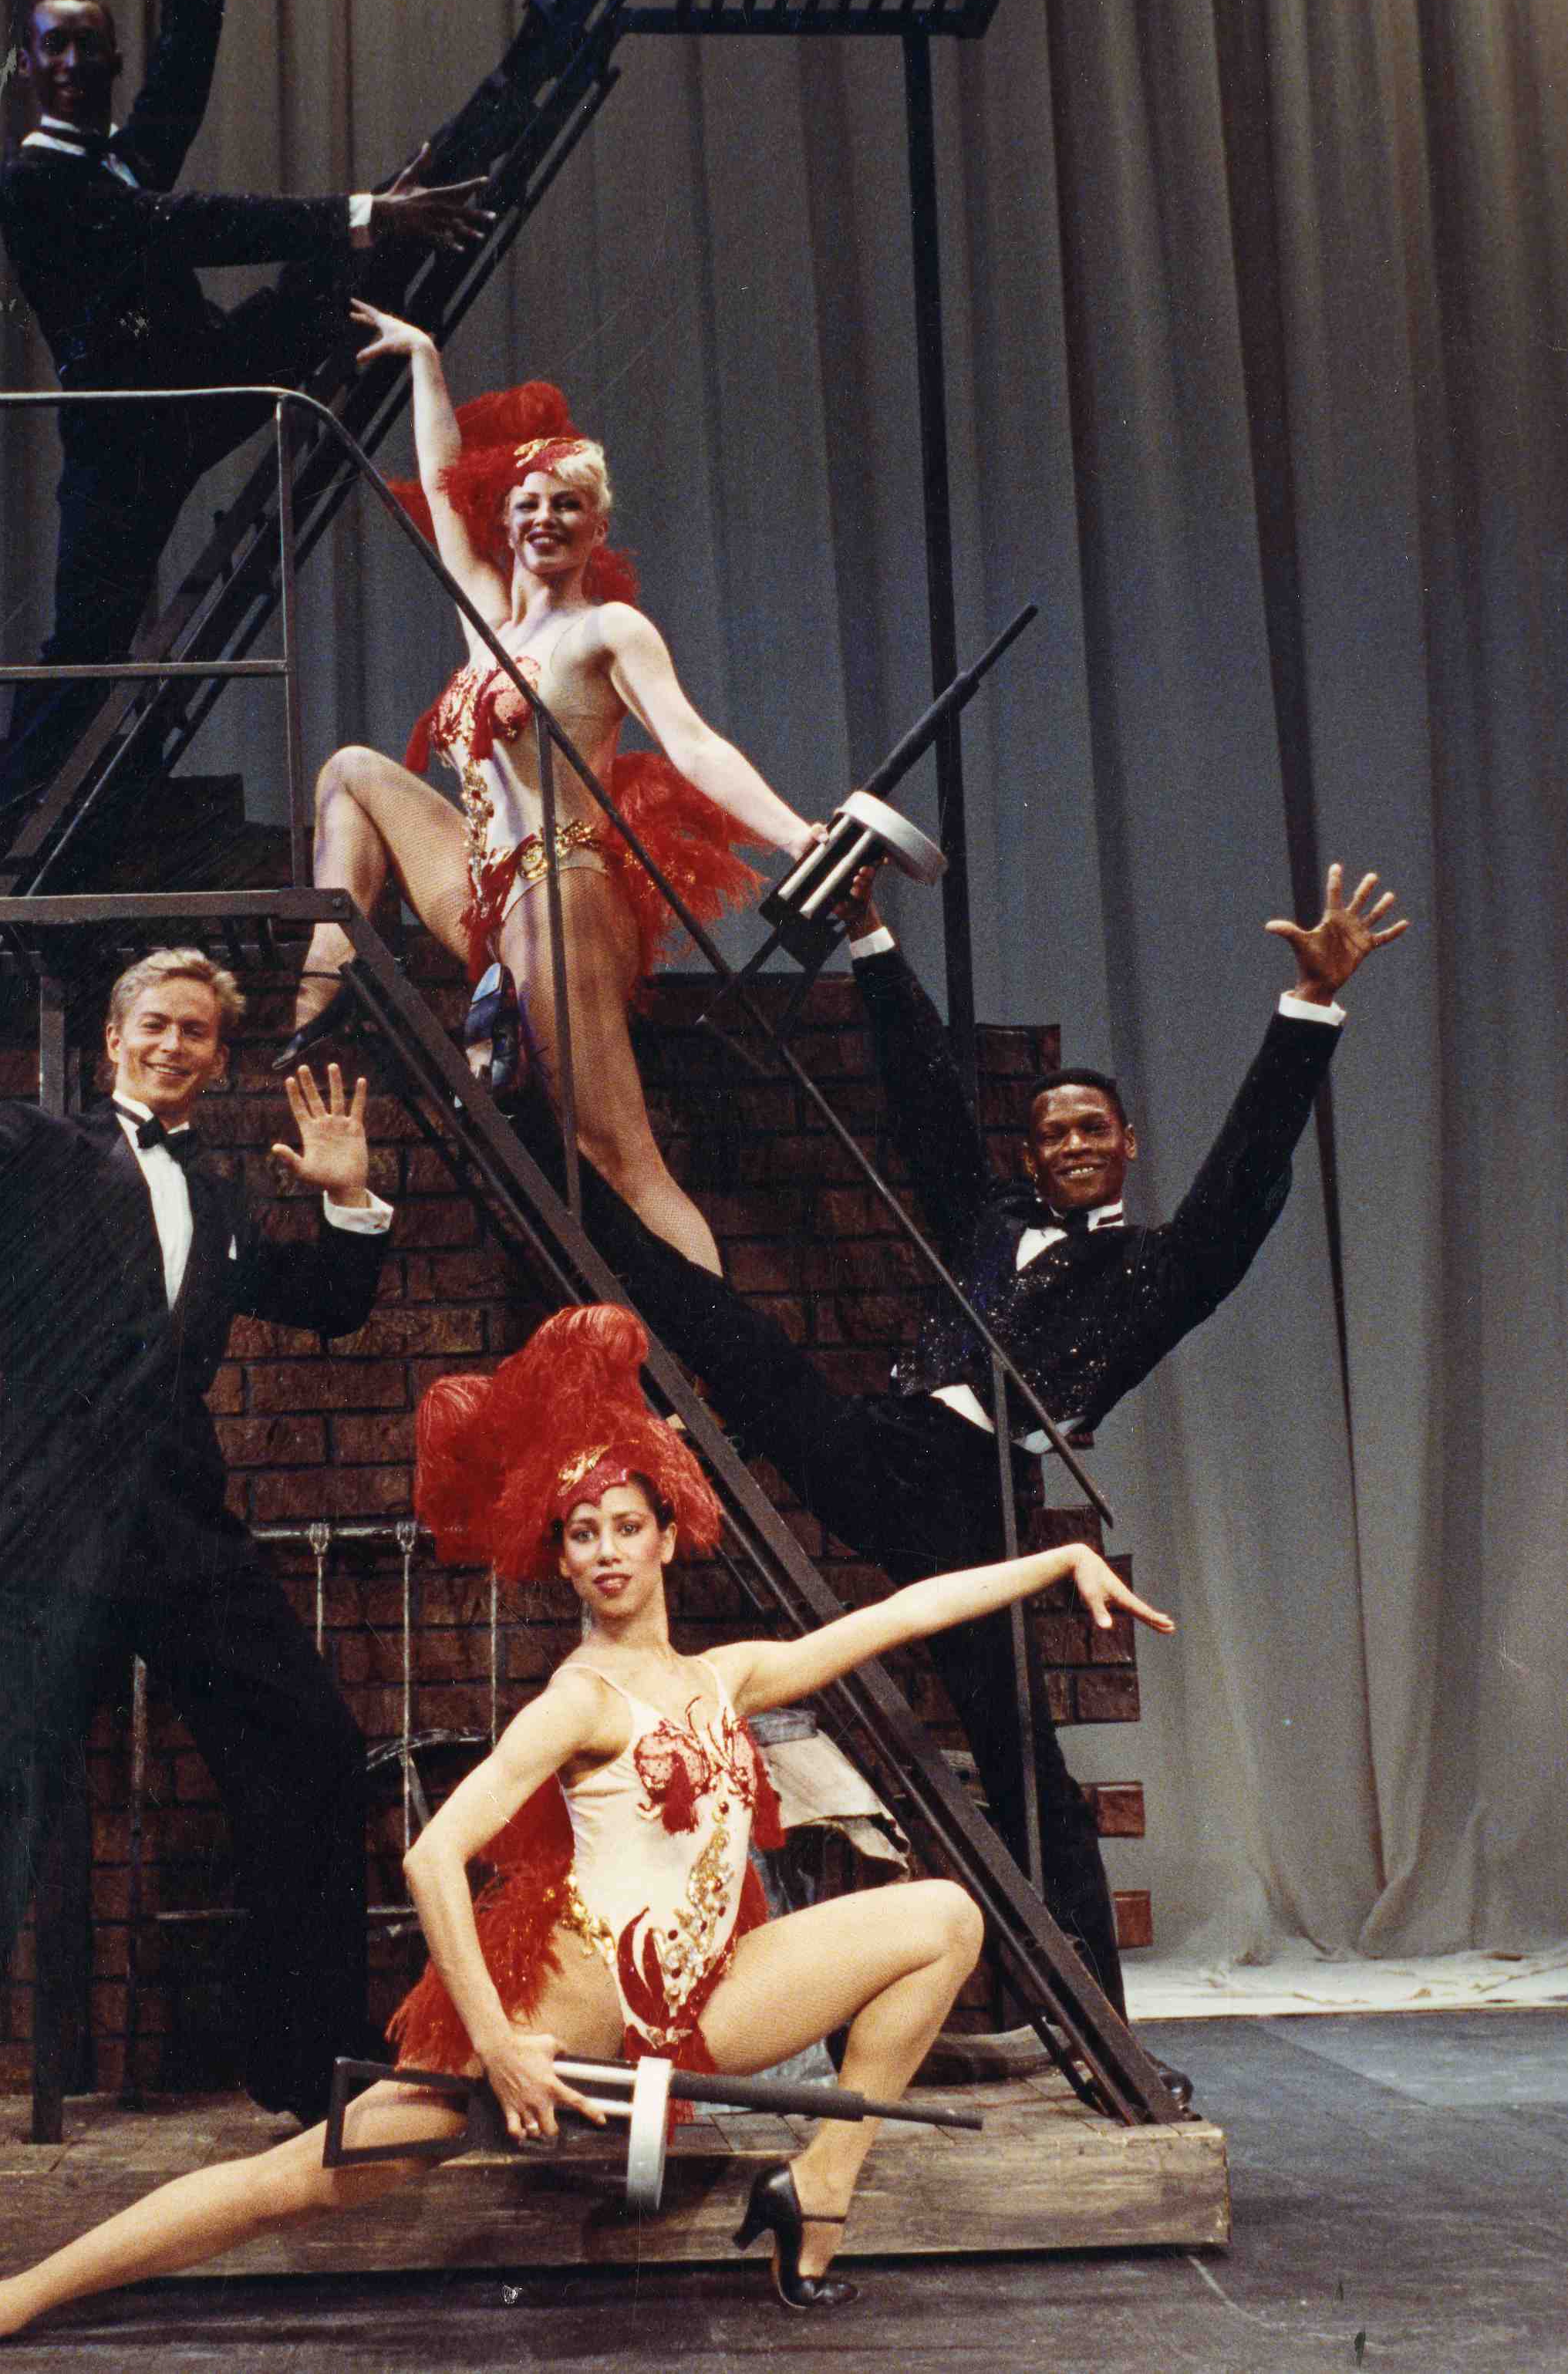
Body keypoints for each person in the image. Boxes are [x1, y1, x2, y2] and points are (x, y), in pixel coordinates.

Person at [0, 1303, 1171, 2351]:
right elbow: (435, 1852)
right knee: (302, 2176)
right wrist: (498, 2045)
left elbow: (897, 1614)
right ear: (565, 1555)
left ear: (670, 1535)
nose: (605, 1551)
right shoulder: (578, 1698)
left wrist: (1058, 1562)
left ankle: (818, 2190)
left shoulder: (726, 1677)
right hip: (557, 2025)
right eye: (582, 1534)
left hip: (700, 2006)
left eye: (626, 1527)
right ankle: (0, 2305)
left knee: (941, 1916)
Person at [551, 862, 1407, 2032]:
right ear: (1031, 1157)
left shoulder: (1160, 1268)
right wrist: (868, 932)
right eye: (1052, 1133)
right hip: (881, 1444)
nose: (1071, 1144)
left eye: (1091, 1128)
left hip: (975, 1499)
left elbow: (1245, 1174)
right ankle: (553, 1167)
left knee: (1023, 1764)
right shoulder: (988, 1218)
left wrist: (1308, 1008)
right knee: (736, 1336)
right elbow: (925, 1104)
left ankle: (1100, 2030)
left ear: (1126, 1143)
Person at [0, 950, 396, 2179]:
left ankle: (308, 2069)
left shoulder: (216, 1196)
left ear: (217, 1057)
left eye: (196, 1032)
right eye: (154, 1024)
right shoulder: (35, 1147)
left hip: (181, 1534)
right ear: (112, 1038)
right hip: (48, 1536)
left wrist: (348, 1199)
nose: (172, 1046)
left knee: (313, 1752)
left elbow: (327, 1303)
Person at [0, 0, 575, 805]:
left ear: (109, 63)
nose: (72, 64)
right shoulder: (41, 182)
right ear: (26, 67)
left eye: (88, 48)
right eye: (54, 50)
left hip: (194, 385)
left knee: (370, 244)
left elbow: (186, 52)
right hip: (126, 436)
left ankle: (534, 57)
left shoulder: (115, 156)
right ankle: (10, 820)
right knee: (88, 635)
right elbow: (184, 225)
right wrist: (362, 212)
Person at [271, 303, 819, 1270]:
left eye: (568, 505)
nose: (545, 519)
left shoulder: (609, 631)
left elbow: (694, 745)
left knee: (614, 1150)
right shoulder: (490, 620)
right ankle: (333, 970)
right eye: (528, 504)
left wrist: (795, 834)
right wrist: (425, 362)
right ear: (507, 519)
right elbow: (445, 497)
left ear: (597, 525)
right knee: (351, 772)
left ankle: (723, 1343)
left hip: (562, 888)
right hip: (485, 891)